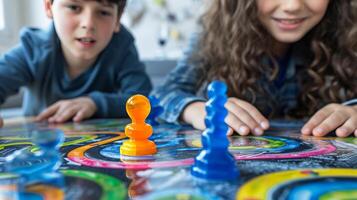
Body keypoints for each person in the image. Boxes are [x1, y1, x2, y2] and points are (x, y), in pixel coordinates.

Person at [153, 0, 357, 137]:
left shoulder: (350, 33)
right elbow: (162, 96)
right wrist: (196, 109)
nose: (292, 6)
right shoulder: (213, 33)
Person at [0, 0, 152, 127]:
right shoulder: (34, 49)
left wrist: (95, 103)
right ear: (49, 8)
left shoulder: (121, 48)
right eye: (74, 7)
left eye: (103, 12)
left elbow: (145, 100)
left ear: (117, 20)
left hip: (99, 154)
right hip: (39, 152)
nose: (88, 24)